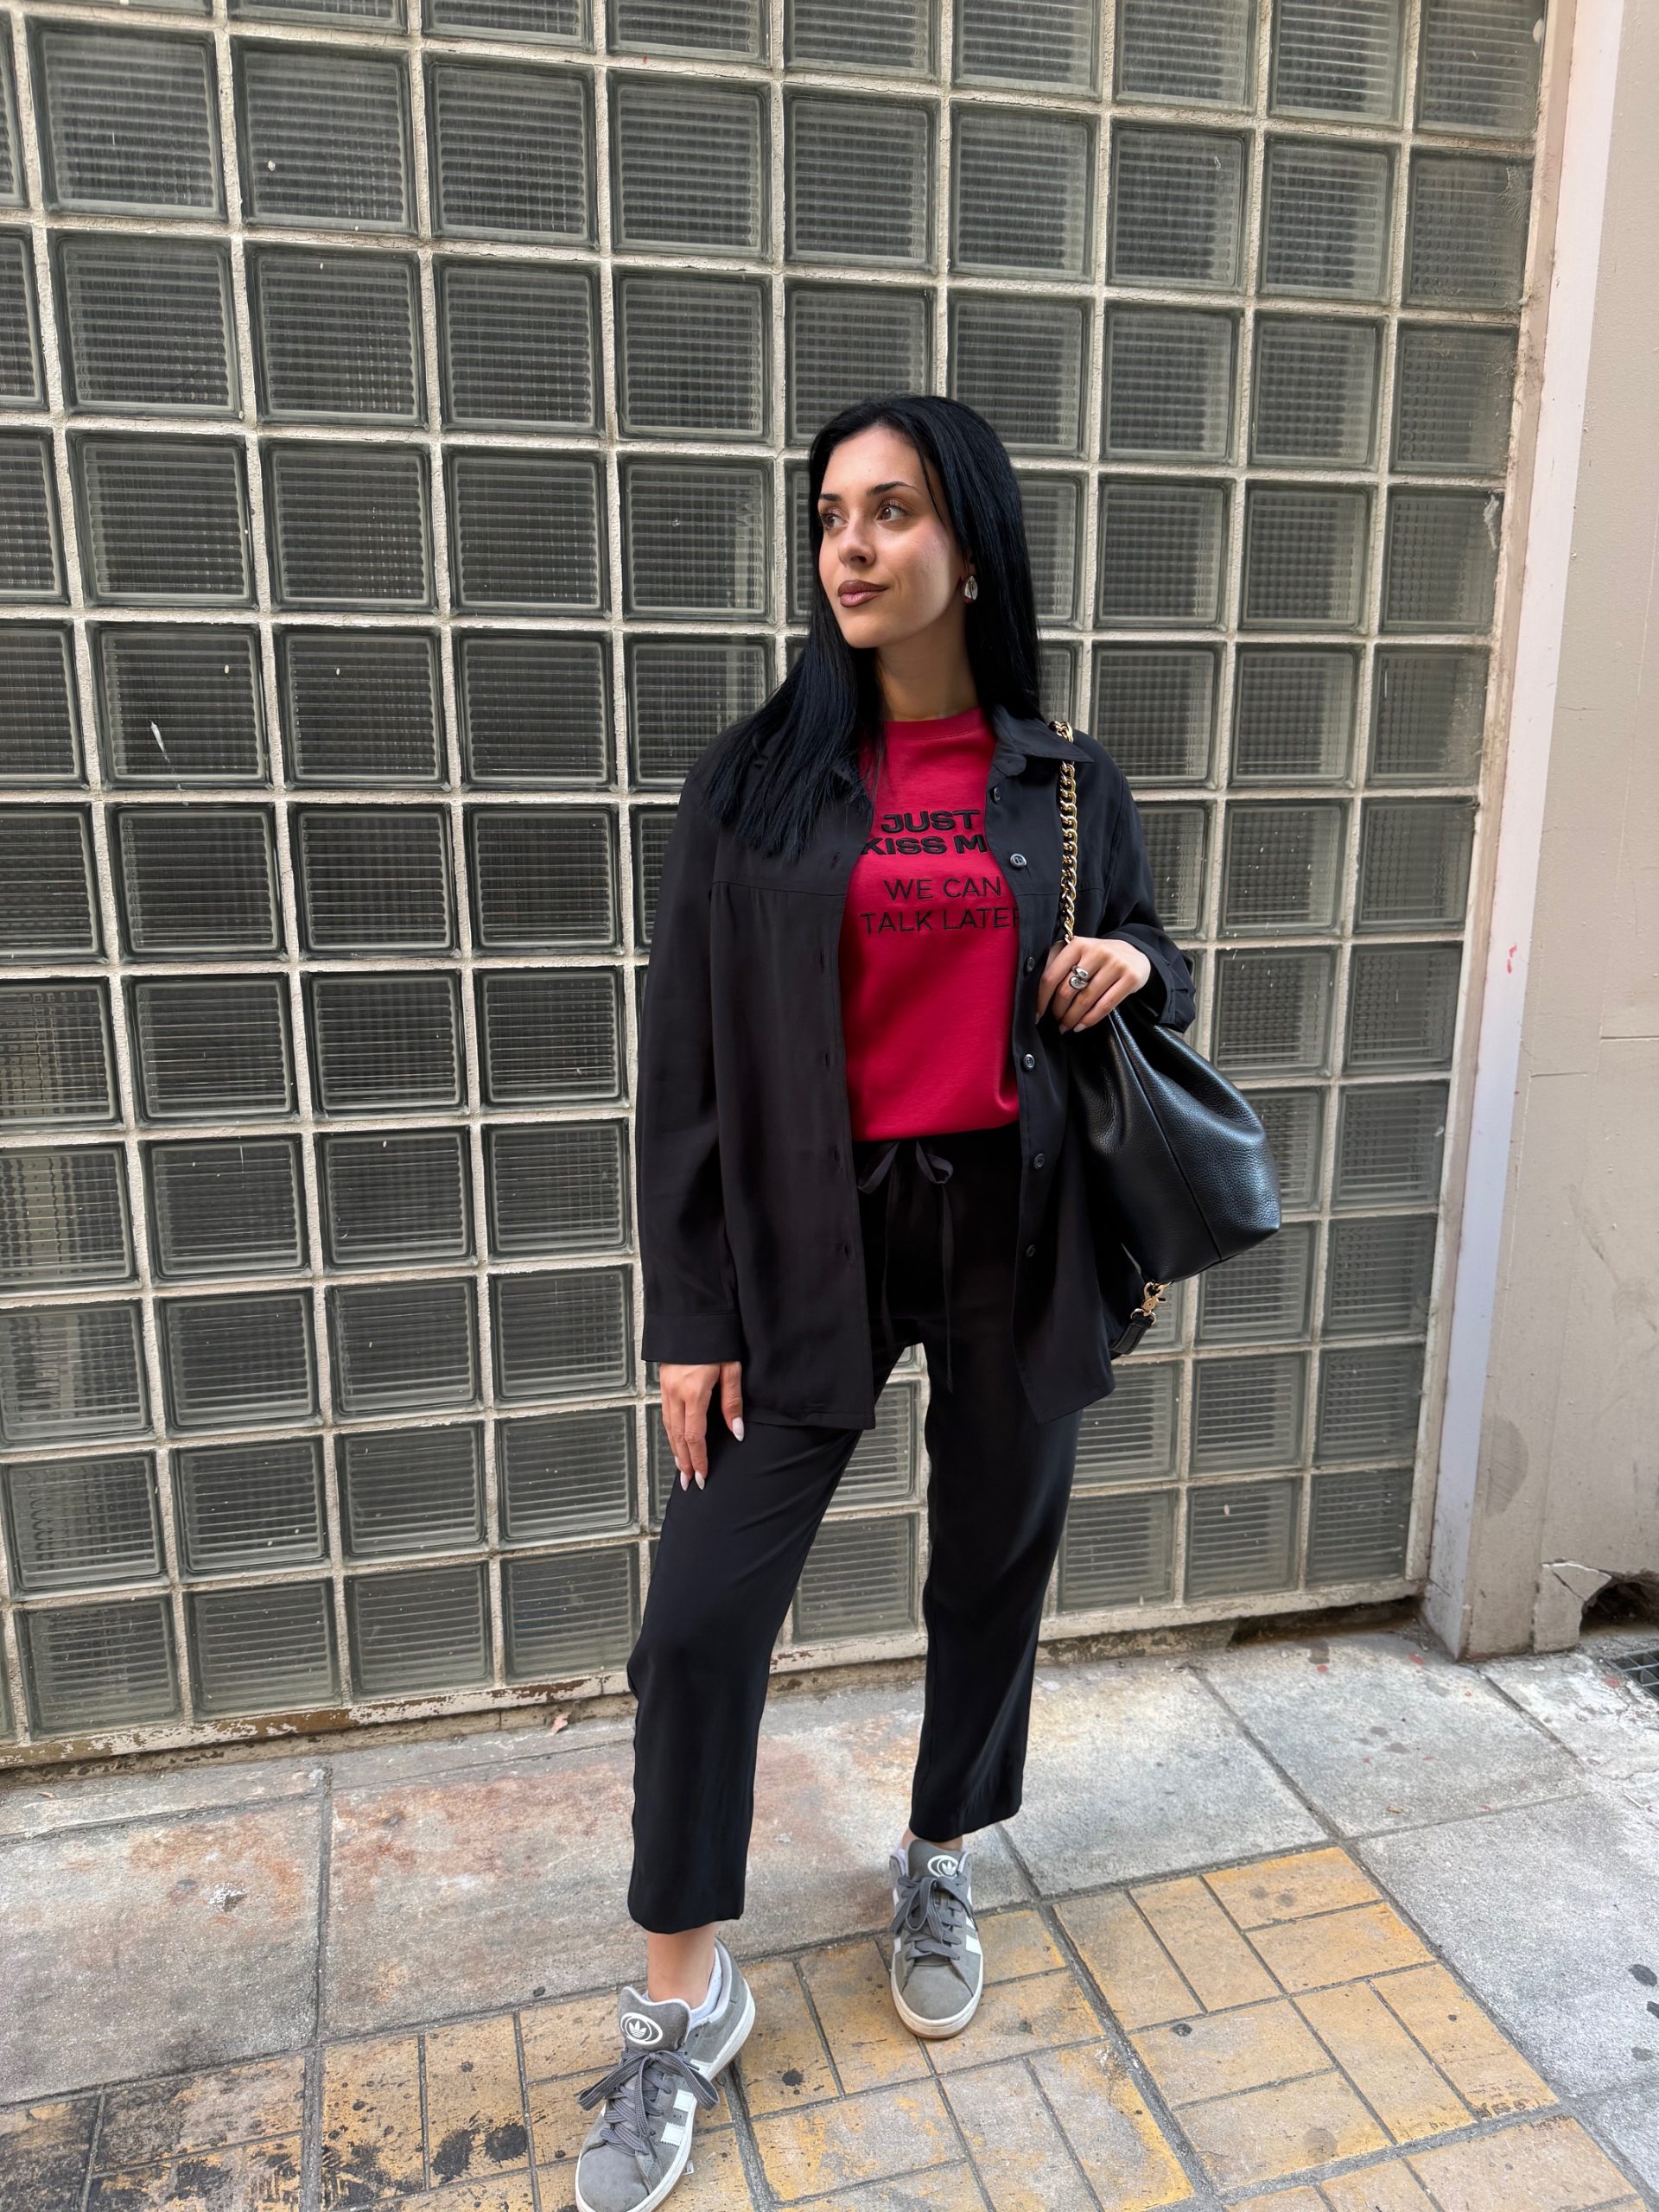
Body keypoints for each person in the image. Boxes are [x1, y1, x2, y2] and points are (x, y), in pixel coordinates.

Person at [571, 394, 1195, 2212]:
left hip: (1015, 1228)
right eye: (834, 513)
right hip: (805, 1240)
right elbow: (685, 1057)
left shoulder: (1063, 785)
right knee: (698, 1619)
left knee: (991, 1566)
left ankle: (939, 1847)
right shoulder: (753, 783)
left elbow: (1155, 956)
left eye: (893, 510)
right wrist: (691, 1310)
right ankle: (683, 1995)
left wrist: (1128, 960)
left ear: (969, 549)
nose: (851, 544)